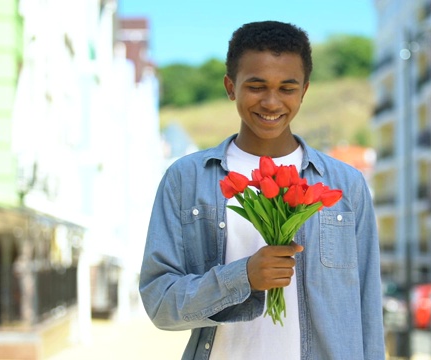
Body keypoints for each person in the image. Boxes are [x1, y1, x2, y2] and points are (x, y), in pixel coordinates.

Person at [139, 20, 385, 359]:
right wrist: (243, 276)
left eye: (287, 88)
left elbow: (368, 309)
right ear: (230, 86)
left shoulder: (346, 184)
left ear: (304, 90)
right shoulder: (186, 178)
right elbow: (159, 303)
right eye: (256, 86)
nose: (271, 102)